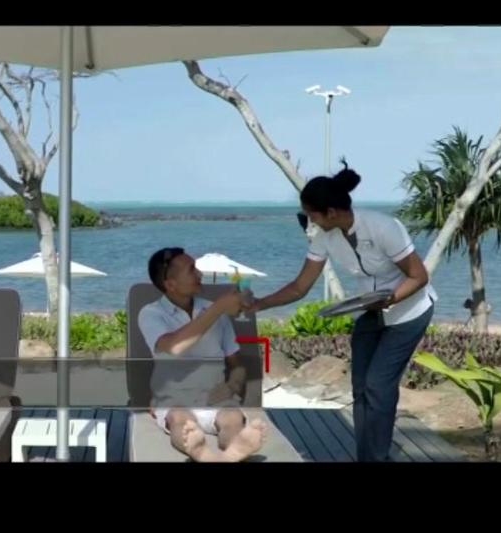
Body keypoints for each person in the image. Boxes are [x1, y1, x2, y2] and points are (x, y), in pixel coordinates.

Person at [246, 161, 436, 462]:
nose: (309, 222)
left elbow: (419, 276)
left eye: (311, 216)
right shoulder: (325, 237)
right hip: (370, 310)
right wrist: (260, 304)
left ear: (331, 212)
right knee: (360, 387)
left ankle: (377, 457)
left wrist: (390, 299)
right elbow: (299, 287)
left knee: (378, 386)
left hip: (409, 312)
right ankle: (368, 456)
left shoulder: (384, 228)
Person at [138, 247, 269, 462]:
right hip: (175, 400)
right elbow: (174, 346)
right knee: (180, 419)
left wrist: (231, 386)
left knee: (233, 419)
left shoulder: (213, 311)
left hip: (215, 398)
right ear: (170, 285)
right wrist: (219, 308)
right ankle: (201, 451)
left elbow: (237, 365)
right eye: (192, 270)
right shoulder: (151, 314)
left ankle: (228, 453)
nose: (199, 274)